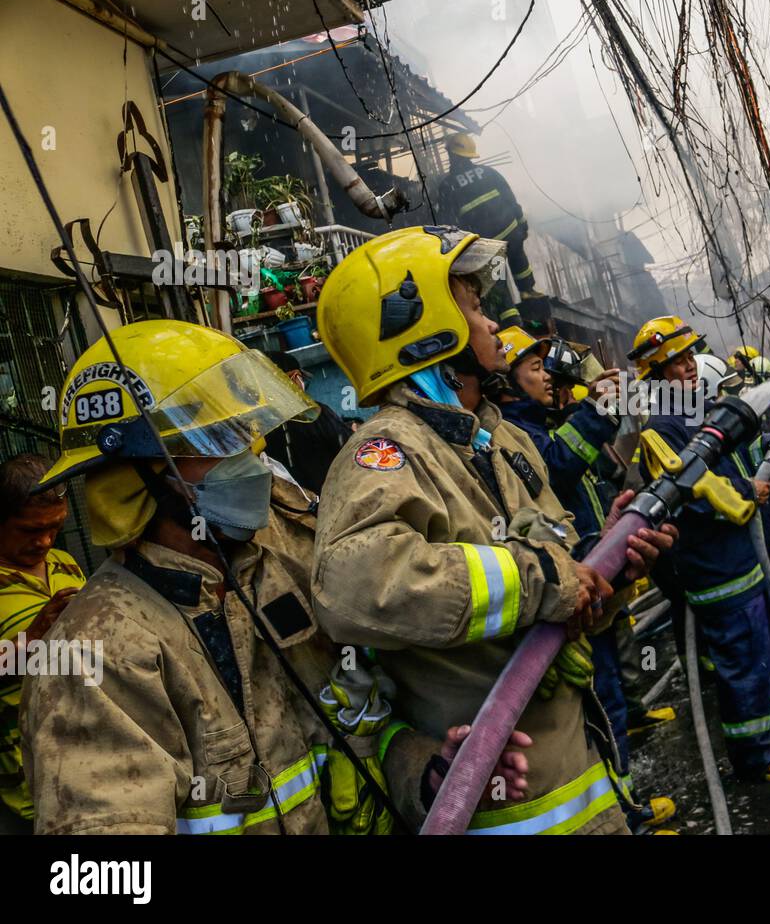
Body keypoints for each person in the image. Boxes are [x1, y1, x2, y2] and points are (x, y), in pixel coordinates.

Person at [22, 319, 529, 835]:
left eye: (249, 436)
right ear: (138, 475)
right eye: (221, 441)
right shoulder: (99, 655)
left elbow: (350, 735)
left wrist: (429, 773)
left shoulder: (277, 567)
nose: (254, 461)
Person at [311, 225, 676, 835]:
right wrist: (544, 578)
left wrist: (607, 568)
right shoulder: (388, 453)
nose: (490, 326)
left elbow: (558, 585)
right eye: (475, 310)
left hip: (585, 787)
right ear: (426, 331)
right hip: (501, 815)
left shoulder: (500, 440)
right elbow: (352, 586)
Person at [490, 327, 676, 832]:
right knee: (601, 704)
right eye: (535, 368)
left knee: (610, 692)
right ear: (505, 383)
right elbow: (558, 468)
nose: (549, 375)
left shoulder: (548, 420)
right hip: (568, 590)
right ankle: (626, 815)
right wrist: (593, 412)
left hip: (594, 571)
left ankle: (626, 802)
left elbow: (590, 470)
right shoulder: (515, 430)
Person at [632, 315, 770, 782]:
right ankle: (756, 756)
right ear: (655, 372)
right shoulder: (663, 428)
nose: (689, 367)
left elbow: (736, 462)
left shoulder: (701, 413)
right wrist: (747, 492)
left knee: (767, 646)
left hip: (743, 555)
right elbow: (687, 500)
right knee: (743, 662)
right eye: (676, 362)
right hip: (715, 568)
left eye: (691, 357)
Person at [0, 455, 84, 823]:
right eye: (30, 530)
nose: (45, 541)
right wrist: (29, 641)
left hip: (90, 765)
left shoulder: (65, 563)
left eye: (55, 527)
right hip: (28, 785)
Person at [438, 133, 549, 331]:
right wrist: (522, 225)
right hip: (511, 236)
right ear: (470, 156)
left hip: (488, 248)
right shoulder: (489, 172)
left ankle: (511, 322)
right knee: (520, 264)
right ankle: (528, 292)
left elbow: (448, 223)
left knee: (498, 284)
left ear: (452, 156)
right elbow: (511, 199)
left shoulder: (448, 186)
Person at [260, 349, 352, 494]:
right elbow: (350, 448)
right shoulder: (316, 412)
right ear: (294, 378)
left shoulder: (257, 426)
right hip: (334, 497)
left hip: (298, 507)